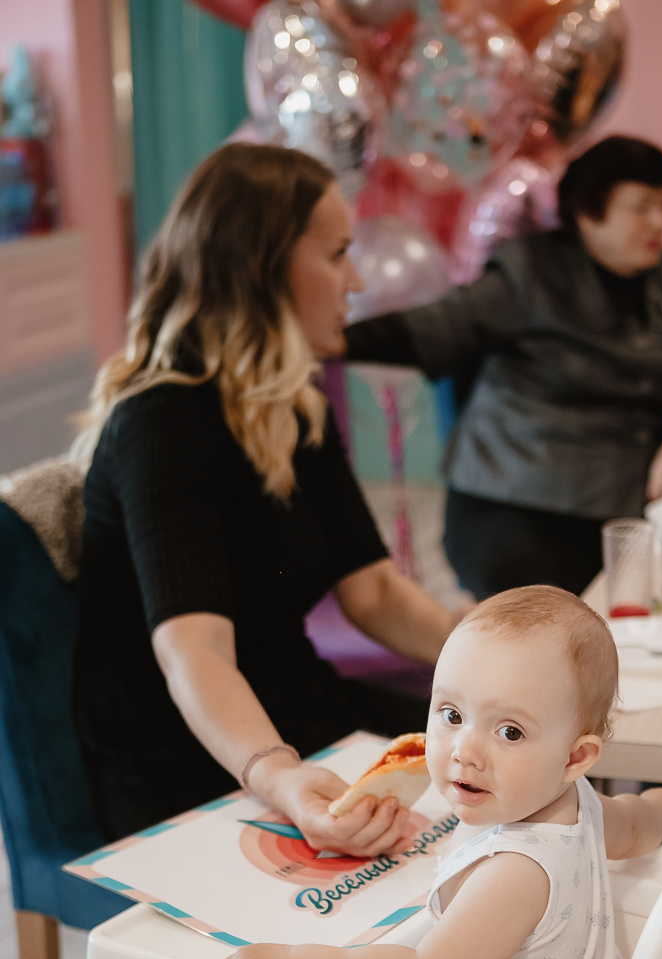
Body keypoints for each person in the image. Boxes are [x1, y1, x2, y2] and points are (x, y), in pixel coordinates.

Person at [72, 143, 458, 856]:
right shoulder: (161, 420)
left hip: (303, 716)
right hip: (193, 761)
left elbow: (372, 590)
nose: (357, 278)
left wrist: (486, 661)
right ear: (261, 267)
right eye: (338, 253)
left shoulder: (292, 405)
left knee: (510, 782)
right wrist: (276, 777)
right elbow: (196, 652)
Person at [215, 586, 662, 959]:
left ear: (575, 758)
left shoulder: (516, 871)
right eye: (451, 714)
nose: (464, 751)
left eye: (509, 732)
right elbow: (636, 824)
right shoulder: (576, 800)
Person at [345, 135, 662, 598]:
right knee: (545, 639)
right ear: (588, 213)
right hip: (516, 504)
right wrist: (327, 340)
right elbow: (430, 329)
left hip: (624, 508)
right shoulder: (528, 274)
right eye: (640, 208)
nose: (660, 222)